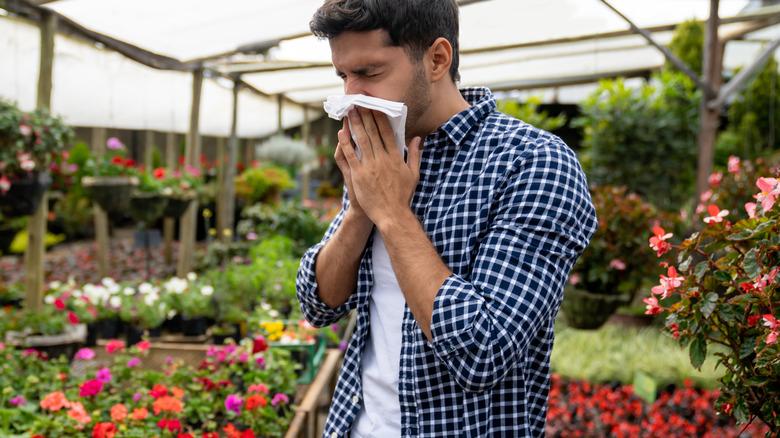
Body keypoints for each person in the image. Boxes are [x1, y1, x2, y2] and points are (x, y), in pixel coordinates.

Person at [296, 1, 598, 436]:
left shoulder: (533, 162)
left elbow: (483, 352)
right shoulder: (382, 154)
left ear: (437, 59)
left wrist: (393, 214)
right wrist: (361, 210)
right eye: (344, 76)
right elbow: (318, 302)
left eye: (370, 73)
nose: (351, 96)